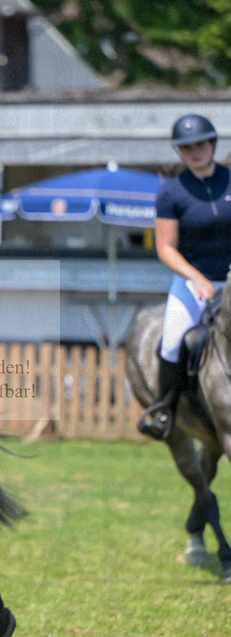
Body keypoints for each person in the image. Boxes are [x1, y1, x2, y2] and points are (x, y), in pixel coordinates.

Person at [137, 113, 231, 440]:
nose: (195, 151)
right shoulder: (172, 193)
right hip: (193, 282)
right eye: (187, 146)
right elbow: (165, 248)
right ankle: (164, 409)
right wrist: (197, 278)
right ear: (180, 151)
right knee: (174, 340)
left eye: (201, 143)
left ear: (213, 144)